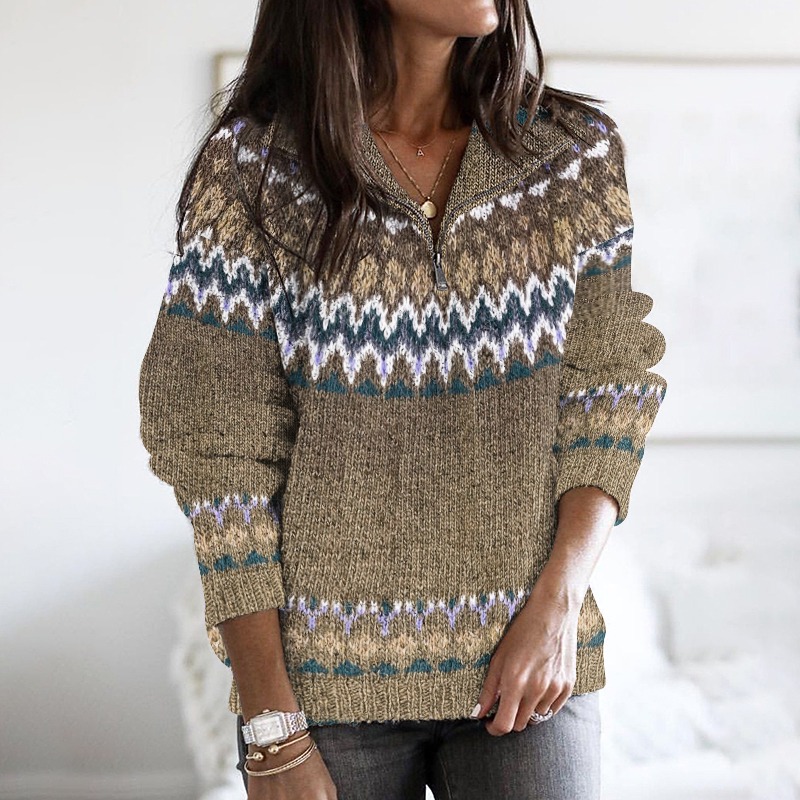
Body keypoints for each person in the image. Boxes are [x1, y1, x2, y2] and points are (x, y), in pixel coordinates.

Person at [138, 0, 668, 797]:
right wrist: (271, 724)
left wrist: (559, 605)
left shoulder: (571, 155)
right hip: (324, 692)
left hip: (529, 669)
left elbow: (607, 390)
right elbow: (217, 453)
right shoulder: (253, 168)